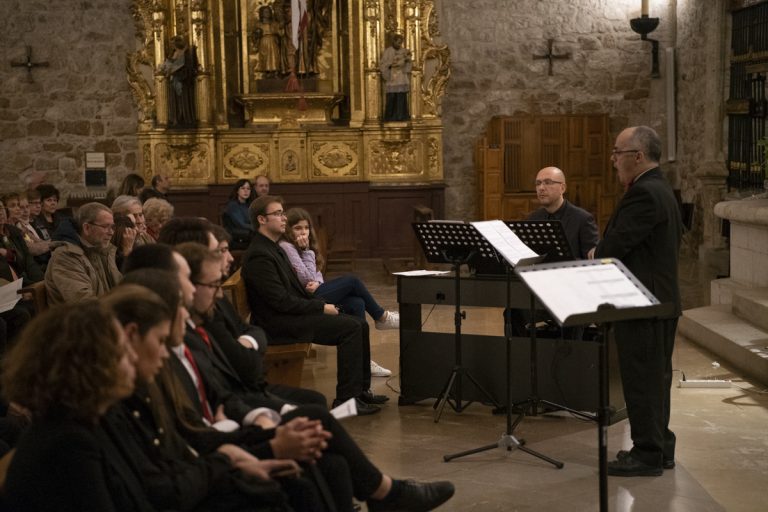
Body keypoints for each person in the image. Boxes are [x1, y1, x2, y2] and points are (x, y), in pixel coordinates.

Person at [2, 301, 157, 511]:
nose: (133, 356)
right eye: (122, 350)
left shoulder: (91, 416)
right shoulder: (68, 443)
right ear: (90, 365)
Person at [591, 125, 683, 477]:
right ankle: (661, 448)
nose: (613, 160)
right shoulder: (660, 188)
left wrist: (597, 251)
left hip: (643, 304)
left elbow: (617, 244)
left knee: (643, 380)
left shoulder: (644, 193)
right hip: (658, 302)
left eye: (618, 152)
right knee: (655, 380)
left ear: (637, 156)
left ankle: (646, 454)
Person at [242, 195, 385, 415]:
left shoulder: (272, 247)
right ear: (262, 219)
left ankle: (360, 392)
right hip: (278, 325)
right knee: (351, 328)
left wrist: (319, 302)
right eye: (278, 213)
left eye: (283, 212)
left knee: (358, 323)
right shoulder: (260, 255)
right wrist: (320, 307)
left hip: (287, 316)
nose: (283, 218)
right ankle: (347, 401)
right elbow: (279, 301)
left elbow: (292, 292)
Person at [281, 208, 397, 377]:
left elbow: (316, 274)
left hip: (312, 293)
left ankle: (364, 360)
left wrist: (318, 282)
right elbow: (305, 278)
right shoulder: (288, 246)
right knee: (352, 281)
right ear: (288, 230)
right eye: (298, 228)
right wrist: (306, 252)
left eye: (306, 228)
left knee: (357, 303)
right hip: (303, 300)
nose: (303, 232)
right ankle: (381, 317)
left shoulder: (301, 246)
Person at [45, 202, 122, 304]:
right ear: (87, 228)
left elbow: (117, 287)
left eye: (112, 227)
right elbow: (83, 302)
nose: (111, 232)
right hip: (77, 318)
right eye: (105, 226)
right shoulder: (66, 256)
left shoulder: (100, 249)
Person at [528, 166, 599, 259]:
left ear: (562, 188)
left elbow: (591, 260)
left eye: (548, 182)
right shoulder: (534, 218)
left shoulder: (583, 219)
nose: (541, 188)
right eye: (538, 183)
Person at [0, 197, 44, 285]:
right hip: (14, 285)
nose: (0, 213)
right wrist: (29, 286)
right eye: (13, 206)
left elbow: (28, 258)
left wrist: (40, 281)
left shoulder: (14, 230)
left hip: (29, 276)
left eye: (1, 208)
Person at [161, 35, 198, 128]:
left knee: (183, 101)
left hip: (183, 81)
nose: (172, 46)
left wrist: (178, 72)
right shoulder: (173, 53)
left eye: (173, 44)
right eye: (171, 44)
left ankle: (185, 118)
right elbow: (169, 64)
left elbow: (189, 68)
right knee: (175, 101)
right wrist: (168, 68)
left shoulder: (186, 53)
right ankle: (175, 119)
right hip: (174, 80)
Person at [379, 33, 412, 122]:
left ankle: (401, 116)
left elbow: (409, 65)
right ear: (393, 42)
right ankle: (390, 117)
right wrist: (391, 63)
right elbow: (382, 64)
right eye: (398, 42)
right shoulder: (387, 51)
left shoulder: (404, 51)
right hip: (391, 77)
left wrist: (407, 61)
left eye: (400, 43)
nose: (399, 44)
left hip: (401, 76)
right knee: (391, 97)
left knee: (401, 96)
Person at [223, 179, 254, 250]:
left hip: (247, 235)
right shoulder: (233, 205)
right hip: (235, 238)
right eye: (243, 188)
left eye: (248, 189)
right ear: (237, 191)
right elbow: (241, 224)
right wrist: (257, 228)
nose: (246, 191)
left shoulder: (249, 205)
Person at [252, 5, 282, 77]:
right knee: (265, 57)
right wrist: (257, 36)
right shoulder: (259, 24)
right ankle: (267, 71)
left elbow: (280, 32)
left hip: (273, 42)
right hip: (264, 42)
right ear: (262, 13)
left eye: (268, 12)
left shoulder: (274, 24)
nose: (267, 13)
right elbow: (254, 35)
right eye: (265, 12)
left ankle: (275, 71)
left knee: (274, 56)